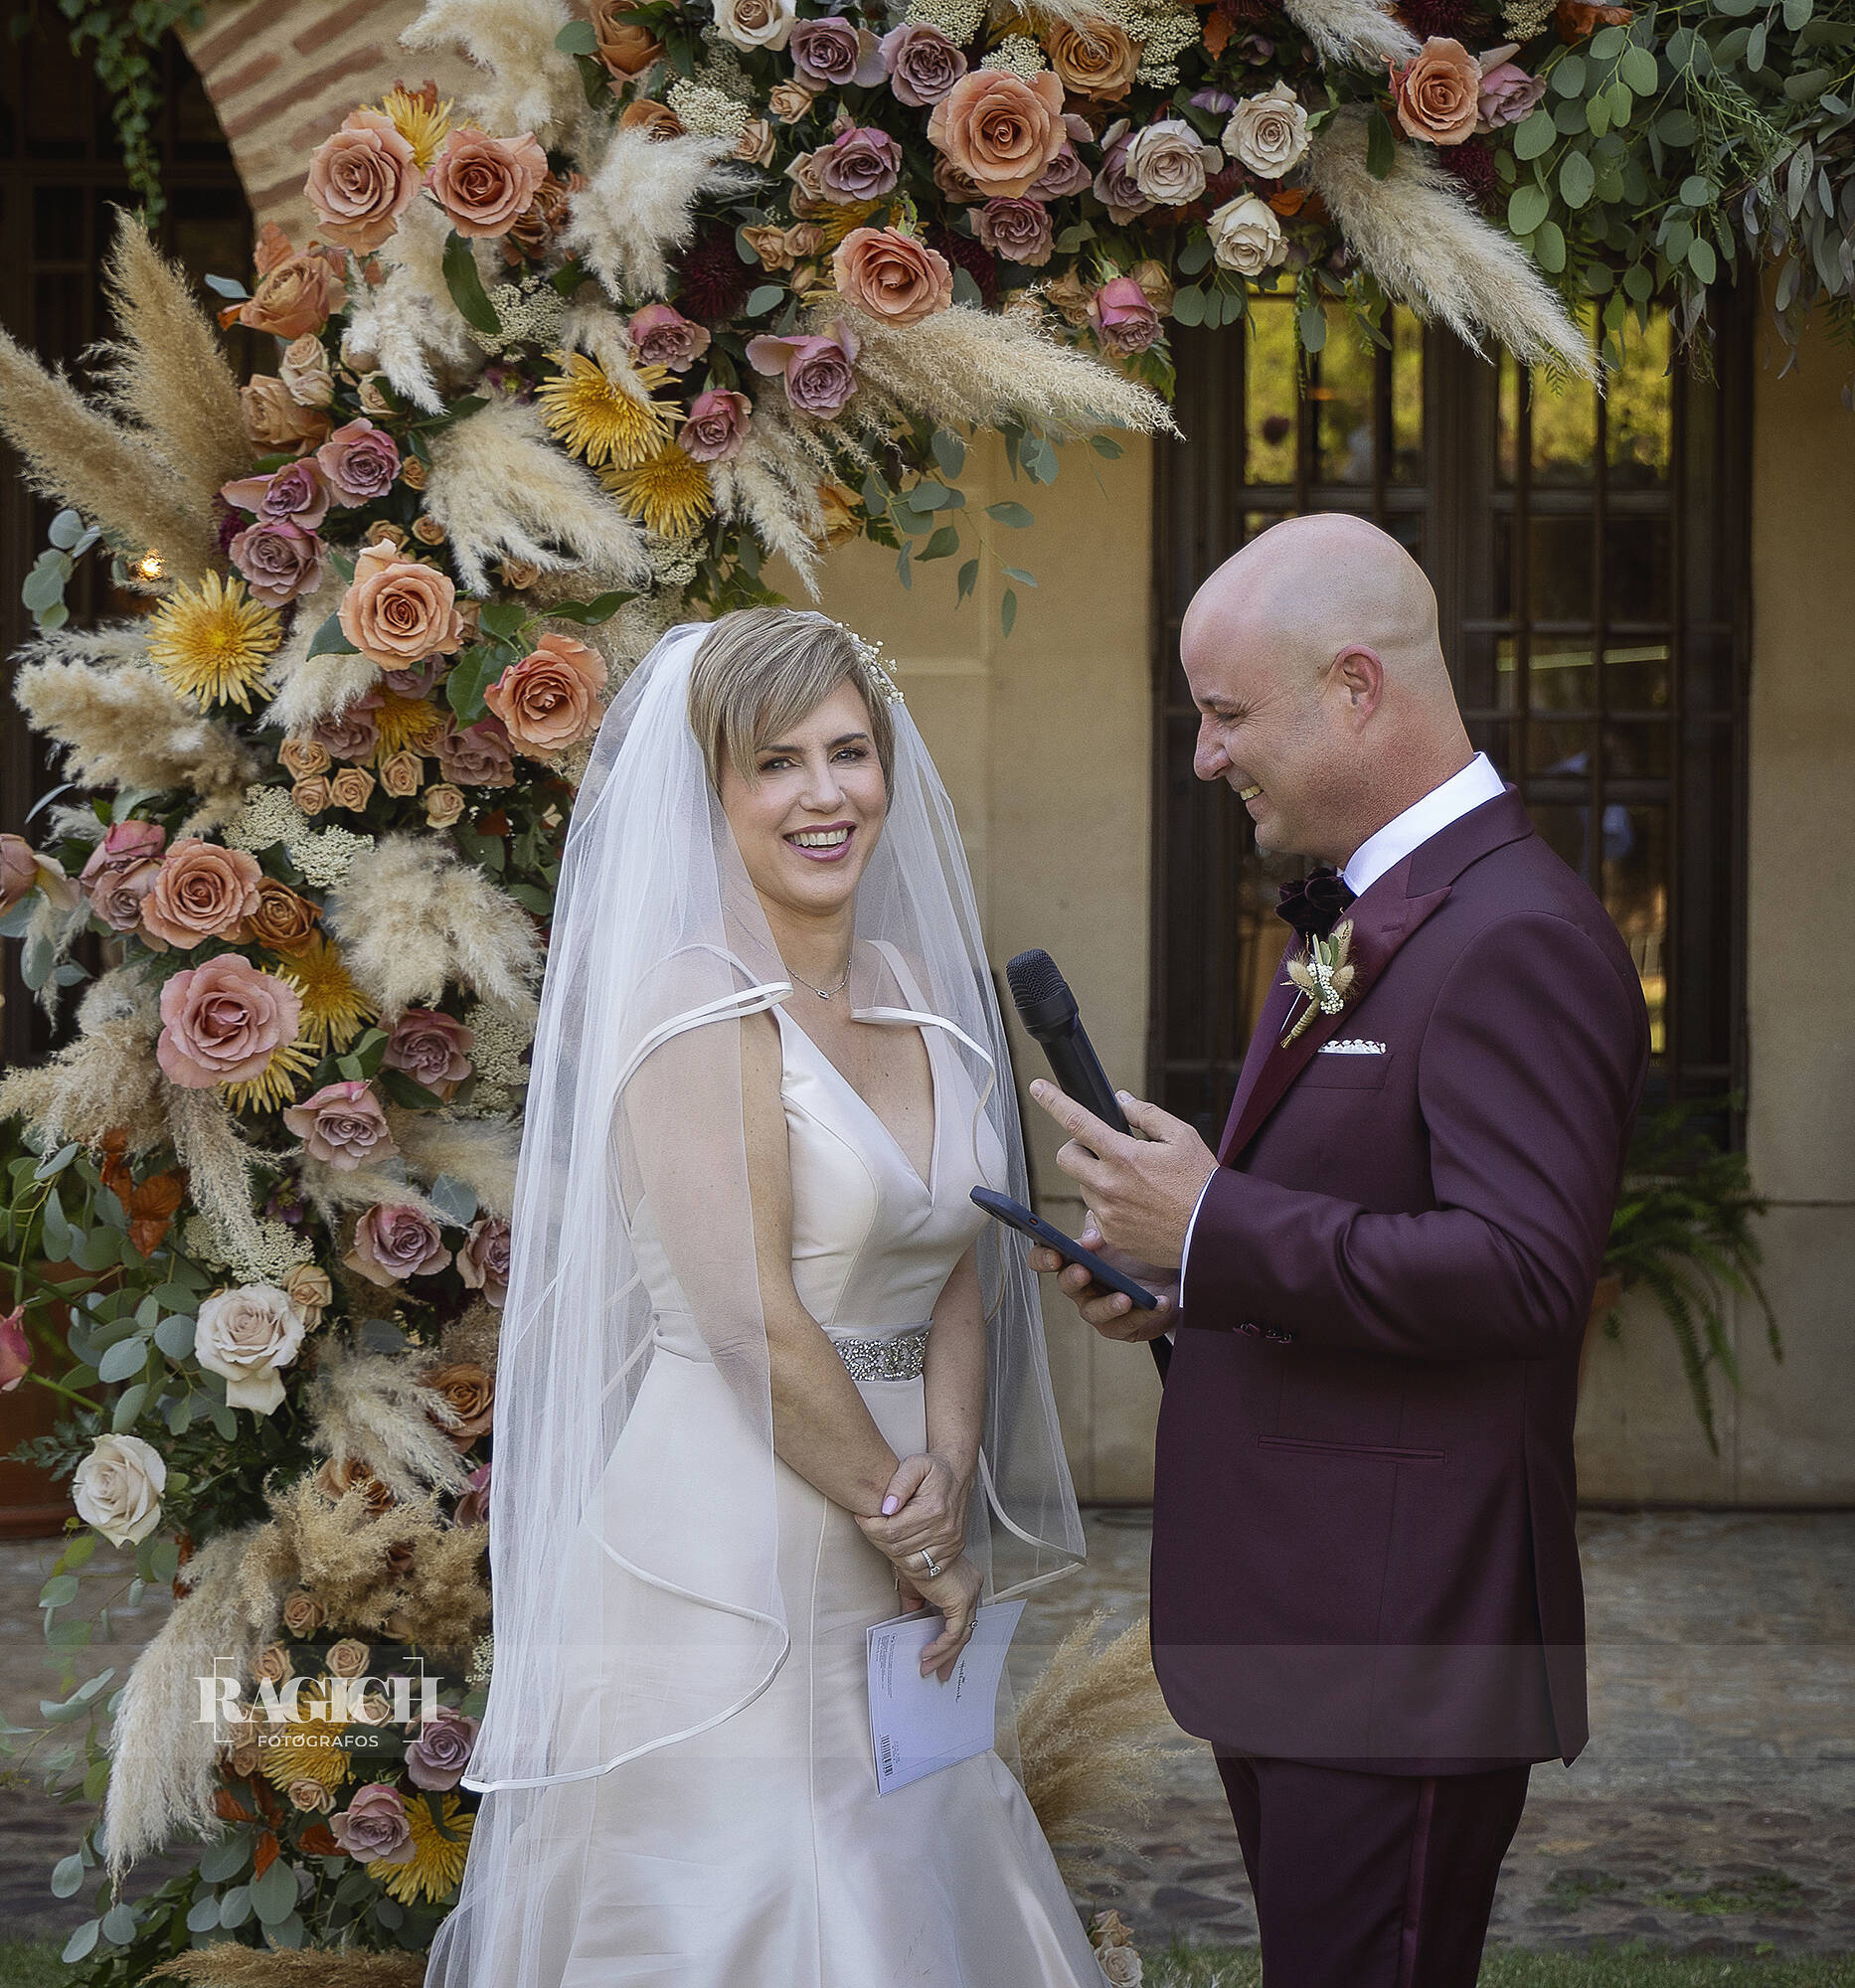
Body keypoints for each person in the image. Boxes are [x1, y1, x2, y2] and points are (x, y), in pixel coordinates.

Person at [424, 608, 1096, 1988]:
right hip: (734, 1546)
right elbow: (749, 1326)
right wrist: (917, 1540)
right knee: (763, 1898)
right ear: (710, 791)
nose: (824, 795)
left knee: (907, 1883)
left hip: (903, 1502)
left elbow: (956, 1261)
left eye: (849, 753)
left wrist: (951, 1468)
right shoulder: (693, 1008)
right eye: (774, 763)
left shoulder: (915, 989)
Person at [1025, 515, 1651, 1987]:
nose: (1203, 756)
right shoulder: (1372, 911)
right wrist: (1182, 1278)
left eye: (1227, 714)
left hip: (1404, 1634)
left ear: (1355, 687)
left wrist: (1216, 1220)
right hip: (1316, 1622)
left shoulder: (1517, 935)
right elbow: (1373, 1221)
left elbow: (1519, 1274)